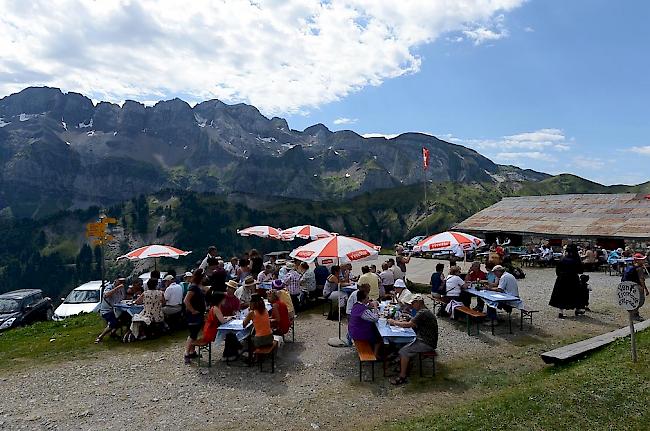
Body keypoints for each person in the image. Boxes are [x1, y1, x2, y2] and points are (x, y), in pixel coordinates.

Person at [388, 294, 438, 385]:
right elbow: (414, 322)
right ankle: (403, 366)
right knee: (404, 346)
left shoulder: (422, 312)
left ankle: (402, 376)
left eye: (413, 303)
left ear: (419, 302)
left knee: (404, 351)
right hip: (425, 339)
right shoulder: (424, 311)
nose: (412, 305)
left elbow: (409, 324)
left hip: (426, 342)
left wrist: (394, 322)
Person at [187, 292, 232, 356]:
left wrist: (225, 318)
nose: (225, 300)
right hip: (211, 332)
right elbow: (223, 321)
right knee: (230, 335)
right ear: (220, 300)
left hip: (209, 329)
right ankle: (230, 353)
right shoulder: (216, 309)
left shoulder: (214, 307)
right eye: (224, 299)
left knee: (229, 335)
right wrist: (230, 318)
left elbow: (219, 318)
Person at [549, 244, 585, 318]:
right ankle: (577, 309)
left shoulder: (562, 259)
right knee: (576, 293)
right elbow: (580, 270)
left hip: (562, 278)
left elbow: (557, 271)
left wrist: (560, 276)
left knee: (561, 295)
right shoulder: (576, 259)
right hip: (572, 278)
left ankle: (561, 312)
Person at [348, 290, 381, 357]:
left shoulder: (356, 305)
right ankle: (375, 355)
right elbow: (375, 318)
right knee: (379, 337)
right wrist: (375, 307)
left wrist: (369, 305)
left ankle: (373, 350)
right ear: (363, 299)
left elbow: (365, 310)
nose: (368, 299)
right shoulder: (363, 310)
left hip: (353, 331)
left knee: (374, 328)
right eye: (367, 298)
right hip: (358, 334)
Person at [184, 269, 206, 363]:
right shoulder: (193, 287)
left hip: (198, 314)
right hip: (193, 315)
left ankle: (192, 352)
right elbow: (186, 300)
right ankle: (186, 353)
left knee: (195, 333)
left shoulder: (197, 286)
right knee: (192, 334)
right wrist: (192, 310)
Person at [95, 279, 126, 343]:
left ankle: (113, 333)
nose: (122, 283)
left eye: (123, 281)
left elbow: (122, 298)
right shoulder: (109, 287)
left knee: (124, 318)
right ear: (116, 280)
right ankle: (100, 336)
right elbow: (106, 295)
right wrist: (117, 288)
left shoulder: (122, 289)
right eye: (120, 281)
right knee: (114, 322)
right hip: (107, 310)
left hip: (117, 309)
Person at [621, 253, 649, 321]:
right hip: (634, 286)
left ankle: (633, 314)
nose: (644, 261)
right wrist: (645, 289)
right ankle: (635, 315)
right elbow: (641, 279)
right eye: (642, 260)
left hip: (626, 286)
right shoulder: (639, 268)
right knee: (638, 300)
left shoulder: (630, 267)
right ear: (637, 261)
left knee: (632, 300)